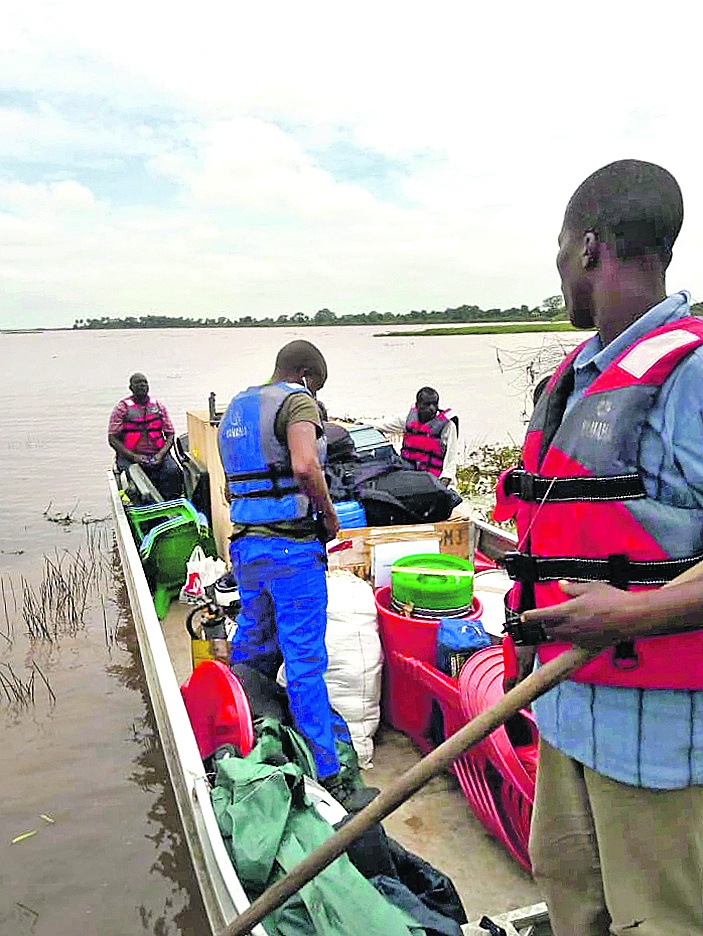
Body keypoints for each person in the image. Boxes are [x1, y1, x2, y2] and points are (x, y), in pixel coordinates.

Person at [494, 159, 703, 936]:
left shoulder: (692, 376)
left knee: (657, 921)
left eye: (559, 249)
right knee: (568, 898)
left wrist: (630, 615)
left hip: (658, 747)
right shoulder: (582, 375)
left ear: (587, 247)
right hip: (564, 711)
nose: (557, 269)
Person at [218, 340, 345, 792]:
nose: (314, 394)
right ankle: (326, 772)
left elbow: (230, 489)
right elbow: (306, 466)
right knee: (304, 660)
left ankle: (238, 739)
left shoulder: (235, 409)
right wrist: (329, 517)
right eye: (316, 385)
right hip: (292, 552)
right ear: (306, 375)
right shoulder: (297, 401)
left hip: (246, 547)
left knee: (252, 642)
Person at [108, 372, 182, 500]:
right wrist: (134, 456)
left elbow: (170, 434)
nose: (142, 385)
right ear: (131, 387)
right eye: (138, 383)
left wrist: (160, 455)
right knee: (136, 484)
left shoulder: (158, 406)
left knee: (173, 471)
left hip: (158, 454)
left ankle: (172, 501)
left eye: (145, 382)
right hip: (130, 456)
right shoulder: (121, 409)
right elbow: (112, 439)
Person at [365, 387, 458, 487]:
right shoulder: (406, 419)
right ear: (418, 405)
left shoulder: (447, 426)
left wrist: (441, 486)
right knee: (384, 454)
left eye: (435, 404)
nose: (432, 408)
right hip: (409, 473)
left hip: (432, 478)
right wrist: (360, 423)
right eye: (427, 404)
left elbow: (450, 462)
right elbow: (381, 425)